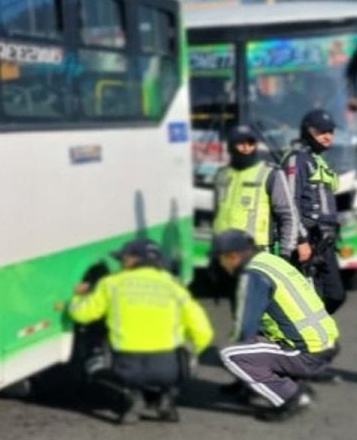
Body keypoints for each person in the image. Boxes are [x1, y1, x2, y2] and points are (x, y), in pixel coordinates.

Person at [68, 238, 213, 424]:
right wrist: (192, 354)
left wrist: (76, 296)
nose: (121, 263)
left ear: (132, 261)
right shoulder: (175, 287)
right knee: (185, 353)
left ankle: (131, 395)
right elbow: (204, 330)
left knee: (92, 352)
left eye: (123, 259)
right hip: (168, 369)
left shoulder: (111, 283)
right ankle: (166, 397)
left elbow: (82, 315)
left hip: (126, 368)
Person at [213, 229, 340, 422]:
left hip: (307, 352)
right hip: (326, 341)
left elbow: (245, 328)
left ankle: (293, 397)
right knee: (258, 341)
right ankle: (254, 384)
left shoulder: (252, 276)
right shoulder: (270, 260)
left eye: (221, 259)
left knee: (232, 355)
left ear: (233, 256)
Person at [212, 124, 309, 262]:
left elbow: (288, 215)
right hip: (222, 254)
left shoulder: (270, 174)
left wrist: (285, 253)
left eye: (250, 143)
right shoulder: (221, 175)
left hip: (255, 254)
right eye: (241, 143)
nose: (246, 148)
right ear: (231, 145)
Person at [281, 109, 346, 314]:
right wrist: (301, 241)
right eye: (321, 132)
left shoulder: (318, 160)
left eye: (331, 131)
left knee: (335, 295)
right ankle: (303, 339)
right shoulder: (296, 159)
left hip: (324, 242)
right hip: (307, 240)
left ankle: (311, 333)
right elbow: (290, 202)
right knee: (307, 301)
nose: (328, 136)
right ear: (308, 131)